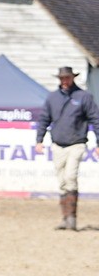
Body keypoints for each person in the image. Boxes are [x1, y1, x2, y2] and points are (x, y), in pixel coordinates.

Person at [35, 66, 99, 231]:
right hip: (58, 144)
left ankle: (72, 219)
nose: (64, 81)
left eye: (67, 78)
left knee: (70, 177)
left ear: (73, 78)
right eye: (62, 78)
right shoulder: (52, 98)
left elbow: (95, 119)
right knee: (62, 181)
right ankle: (65, 218)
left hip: (76, 143)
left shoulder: (84, 97)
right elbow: (44, 119)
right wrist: (39, 140)